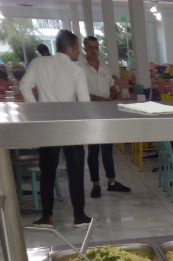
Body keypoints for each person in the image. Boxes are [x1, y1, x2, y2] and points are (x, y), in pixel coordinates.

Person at [19, 29, 92, 228]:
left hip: (47, 125)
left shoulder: (38, 63)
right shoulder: (76, 70)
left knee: (47, 172)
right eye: (78, 47)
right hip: (71, 127)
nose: (80, 51)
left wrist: (37, 111)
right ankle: (79, 216)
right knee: (75, 172)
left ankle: (47, 217)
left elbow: (24, 86)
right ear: (69, 49)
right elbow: (84, 103)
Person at [79, 35, 130, 198]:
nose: (94, 50)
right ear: (85, 48)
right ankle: (95, 184)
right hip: (90, 112)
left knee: (108, 149)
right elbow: (77, 92)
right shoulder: (80, 68)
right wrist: (95, 98)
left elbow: (112, 88)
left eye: (96, 47)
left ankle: (112, 182)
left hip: (106, 112)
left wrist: (112, 95)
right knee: (93, 150)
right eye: (90, 47)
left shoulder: (105, 68)